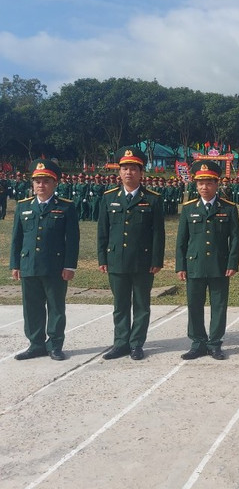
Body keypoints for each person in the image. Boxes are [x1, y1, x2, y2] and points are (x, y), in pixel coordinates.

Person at [98, 147, 165, 360]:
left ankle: (136, 343)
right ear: (119, 172)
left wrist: (156, 259)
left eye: (133, 169)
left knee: (142, 305)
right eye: (125, 168)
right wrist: (102, 258)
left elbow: (158, 233)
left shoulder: (153, 199)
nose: (129, 173)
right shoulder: (109, 198)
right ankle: (120, 343)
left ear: (141, 172)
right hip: (116, 259)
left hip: (143, 261)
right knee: (120, 305)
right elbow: (103, 232)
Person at [9, 160, 80, 361]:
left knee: (56, 307)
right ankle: (36, 344)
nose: (41, 185)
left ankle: (55, 345)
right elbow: (17, 239)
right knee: (31, 307)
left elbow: (73, 240)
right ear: (32, 184)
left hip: (55, 267)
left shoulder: (66, 207)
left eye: (46, 181)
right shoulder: (23, 207)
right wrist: (15, 265)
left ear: (55, 183)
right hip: (29, 264)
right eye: (37, 181)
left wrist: (69, 266)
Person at [175, 162, 239, 360]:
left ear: (216, 184)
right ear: (196, 185)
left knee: (219, 305)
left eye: (209, 183)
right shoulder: (188, 209)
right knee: (194, 304)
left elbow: (235, 238)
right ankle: (197, 343)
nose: (204, 187)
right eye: (200, 183)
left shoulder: (228, 208)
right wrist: (180, 265)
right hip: (194, 264)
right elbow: (181, 240)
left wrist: (232, 263)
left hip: (220, 265)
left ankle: (214, 343)